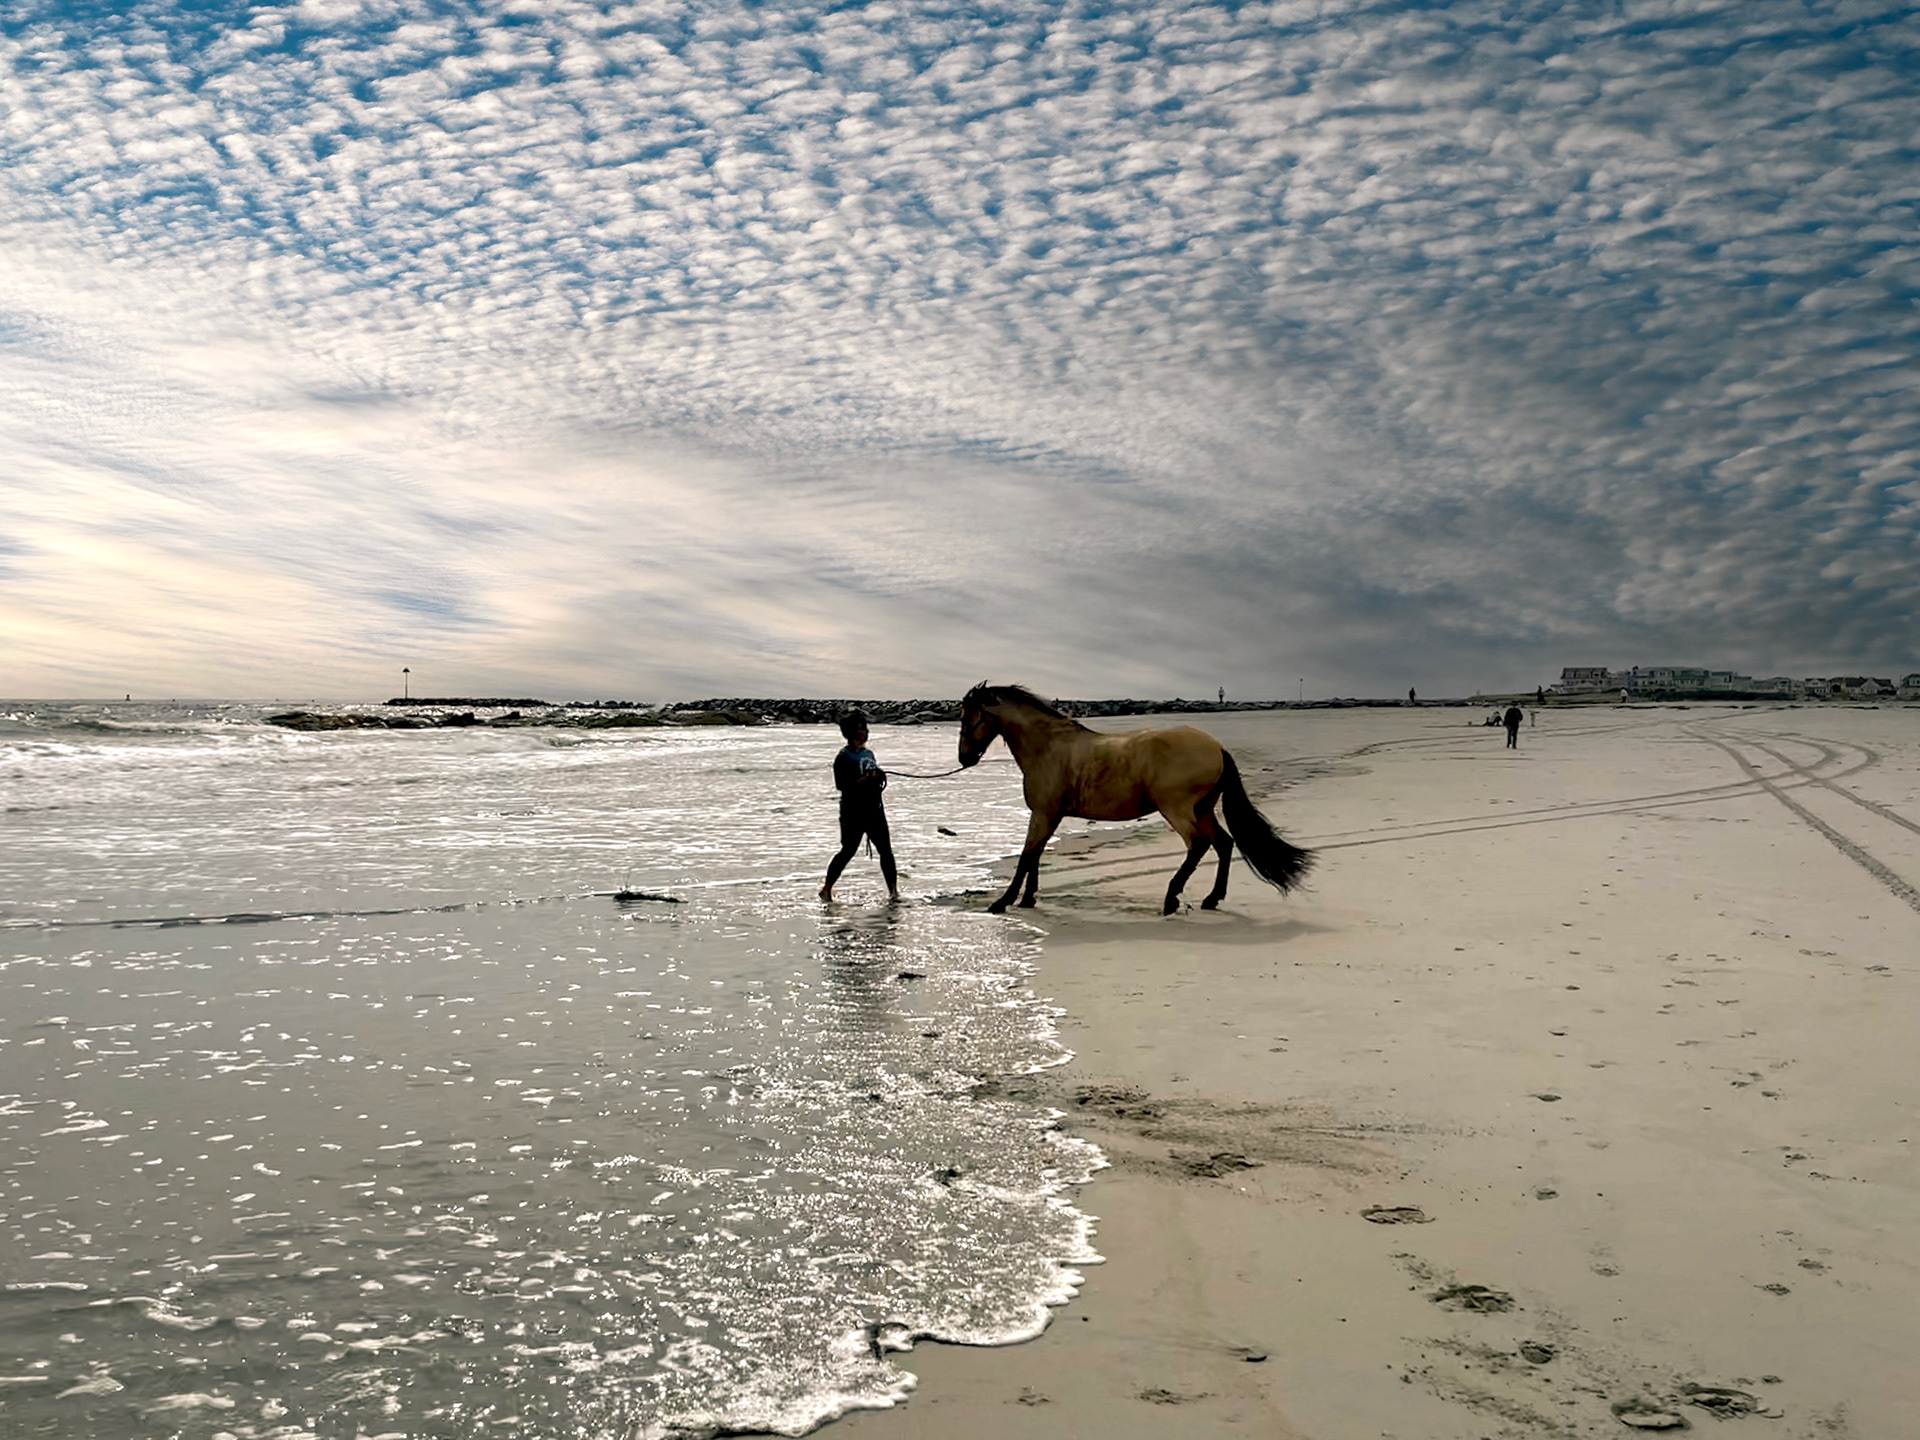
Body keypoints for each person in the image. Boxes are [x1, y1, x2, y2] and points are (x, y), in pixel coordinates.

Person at [820, 710, 899, 902]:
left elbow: (872, 777)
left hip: (875, 810)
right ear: (851, 733)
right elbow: (842, 785)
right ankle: (827, 888)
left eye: (865, 729)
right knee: (847, 851)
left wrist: (878, 776)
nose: (864, 733)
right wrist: (866, 779)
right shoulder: (843, 757)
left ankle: (894, 892)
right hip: (853, 813)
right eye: (861, 729)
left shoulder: (868, 753)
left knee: (886, 852)